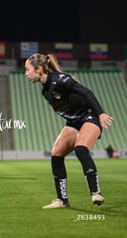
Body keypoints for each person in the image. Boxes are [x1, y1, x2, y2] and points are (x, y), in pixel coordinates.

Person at [25, 53, 113, 209]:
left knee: (80, 148)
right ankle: (62, 200)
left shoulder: (60, 79)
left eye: (27, 69)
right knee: (56, 153)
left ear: (38, 69)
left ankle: (96, 192)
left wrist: (101, 113)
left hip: (89, 116)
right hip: (74, 121)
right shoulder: (45, 91)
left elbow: (86, 92)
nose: (26, 74)